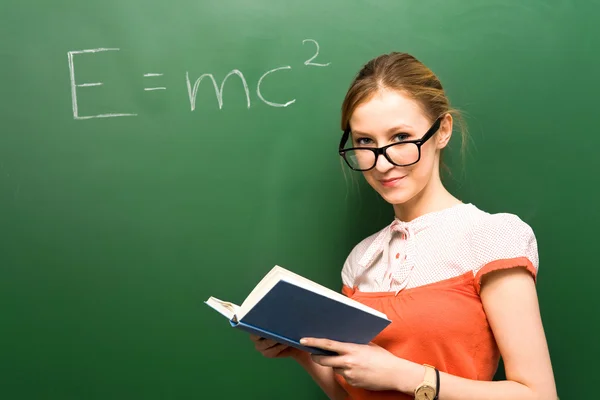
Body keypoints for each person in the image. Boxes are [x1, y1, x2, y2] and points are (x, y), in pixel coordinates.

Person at [250, 52, 558, 400]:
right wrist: (300, 350)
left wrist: (403, 375)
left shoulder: (492, 237)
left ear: (442, 131)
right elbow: (352, 393)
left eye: (400, 137)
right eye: (365, 141)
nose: (383, 163)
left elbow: (538, 395)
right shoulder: (362, 259)